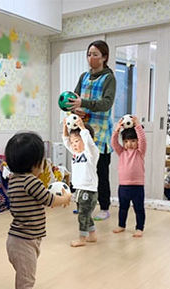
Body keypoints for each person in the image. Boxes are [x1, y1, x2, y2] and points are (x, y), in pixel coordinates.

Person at [5, 132, 71, 289]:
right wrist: (65, 198)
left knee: (23, 277)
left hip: (18, 239)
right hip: (24, 241)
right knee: (27, 280)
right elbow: (49, 199)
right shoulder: (31, 182)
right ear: (35, 164)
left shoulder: (14, 180)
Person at [69, 40, 116, 221]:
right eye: (89, 54)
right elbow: (74, 99)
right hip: (82, 132)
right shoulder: (83, 77)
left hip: (101, 134)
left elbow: (106, 104)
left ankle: (104, 207)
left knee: (101, 172)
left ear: (104, 57)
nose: (91, 58)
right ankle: (83, 205)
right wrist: (74, 109)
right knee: (82, 171)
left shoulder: (109, 78)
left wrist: (84, 104)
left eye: (95, 54)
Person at [62, 117, 99, 247]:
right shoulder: (76, 154)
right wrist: (65, 127)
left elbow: (89, 142)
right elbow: (66, 141)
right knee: (85, 213)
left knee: (82, 215)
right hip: (79, 189)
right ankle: (92, 235)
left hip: (88, 190)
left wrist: (83, 128)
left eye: (77, 141)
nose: (74, 145)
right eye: (73, 142)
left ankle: (82, 238)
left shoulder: (91, 153)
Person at [111, 116, 146, 237]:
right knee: (123, 208)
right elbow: (114, 143)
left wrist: (137, 126)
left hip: (137, 187)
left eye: (132, 141)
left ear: (137, 141)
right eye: (126, 141)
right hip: (123, 187)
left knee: (139, 208)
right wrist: (116, 130)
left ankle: (139, 228)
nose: (129, 144)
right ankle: (121, 225)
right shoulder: (121, 152)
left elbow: (143, 140)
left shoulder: (140, 152)